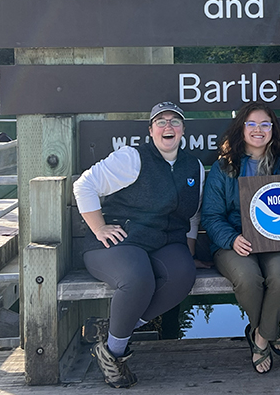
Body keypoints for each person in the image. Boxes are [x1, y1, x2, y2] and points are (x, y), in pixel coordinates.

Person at [73, 102, 204, 389]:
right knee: (137, 277)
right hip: (119, 242)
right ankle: (114, 355)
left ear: (183, 129)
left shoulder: (192, 166)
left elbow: (192, 215)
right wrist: (99, 227)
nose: (168, 127)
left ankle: (115, 333)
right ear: (151, 130)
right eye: (161, 121)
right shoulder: (132, 158)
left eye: (175, 121)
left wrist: (190, 252)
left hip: (165, 241)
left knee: (182, 276)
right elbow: (84, 185)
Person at [201, 102, 280, 374]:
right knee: (248, 278)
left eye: (265, 124)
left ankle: (259, 337)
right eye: (252, 124)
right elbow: (211, 216)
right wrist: (232, 239)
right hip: (232, 242)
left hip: (273, 240)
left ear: (273, 130)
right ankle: (271, 329)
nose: (258, 130)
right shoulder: (224, 168)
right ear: (241, 129)